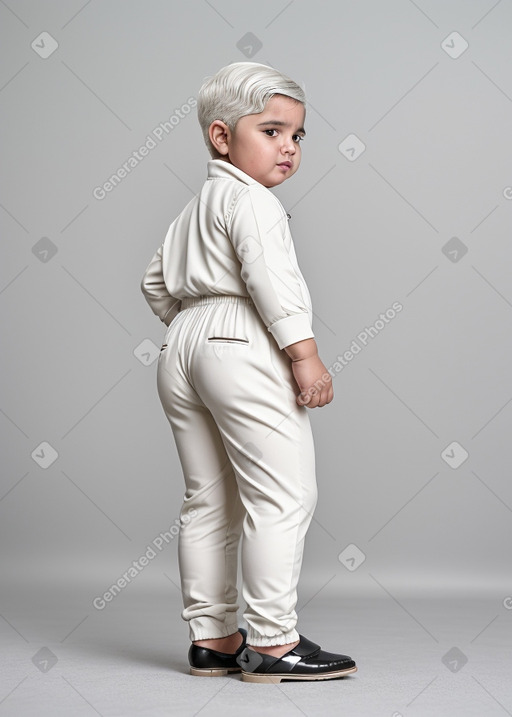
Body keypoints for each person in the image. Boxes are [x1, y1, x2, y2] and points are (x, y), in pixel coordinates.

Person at [140, 61, 357, 683]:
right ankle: (273, 641)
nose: (288, 147)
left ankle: (214, 637)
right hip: (241, 336)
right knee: (283, 493)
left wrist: (191, 329)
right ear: (221, 136)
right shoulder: (251, 201)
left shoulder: (197, 205)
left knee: (209, 499)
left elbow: (154, 282)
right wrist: (304, 355)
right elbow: (274, 282)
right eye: (272, 131)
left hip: (184, 345)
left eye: (298, 136)